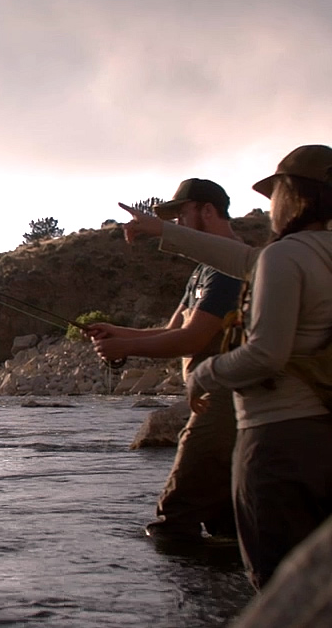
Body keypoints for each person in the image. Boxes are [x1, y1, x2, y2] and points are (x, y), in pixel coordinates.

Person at [119, 144, 332, 590]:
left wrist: (205, 374)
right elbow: (243, 261)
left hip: (279, 439)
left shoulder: (286, 255)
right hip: (321, 433)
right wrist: (163, 230)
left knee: (276, 584)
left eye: (277, 193)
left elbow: (266, 355)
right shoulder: (309, 253)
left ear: (295, 196)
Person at [87, 179, 242, 544]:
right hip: (206, 400)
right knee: (228, 525)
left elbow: (193, 339)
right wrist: (117, 333)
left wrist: (125, 347)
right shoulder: (203, 271)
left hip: (225, 403)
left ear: (207, 210)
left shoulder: (230, 268)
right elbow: (172, 329)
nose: (176, 225)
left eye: (180, 214)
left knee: (173, 521)